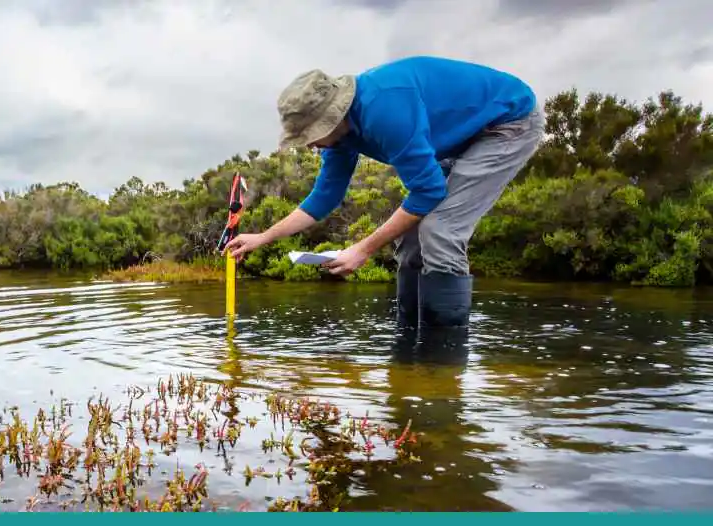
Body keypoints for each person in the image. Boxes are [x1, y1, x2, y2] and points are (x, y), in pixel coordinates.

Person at [226, 55, 545, 334]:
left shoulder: (385, 110)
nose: (310, 144)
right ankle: (408, 345)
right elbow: (325, 196)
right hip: (462, 137)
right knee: (409, 240)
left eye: (311, 135)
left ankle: (442, 358)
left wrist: (362, 250)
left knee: (440, 230)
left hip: (507, 123)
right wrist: (264, 237)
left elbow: (428, 191)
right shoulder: (340, 138)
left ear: (333, 118)